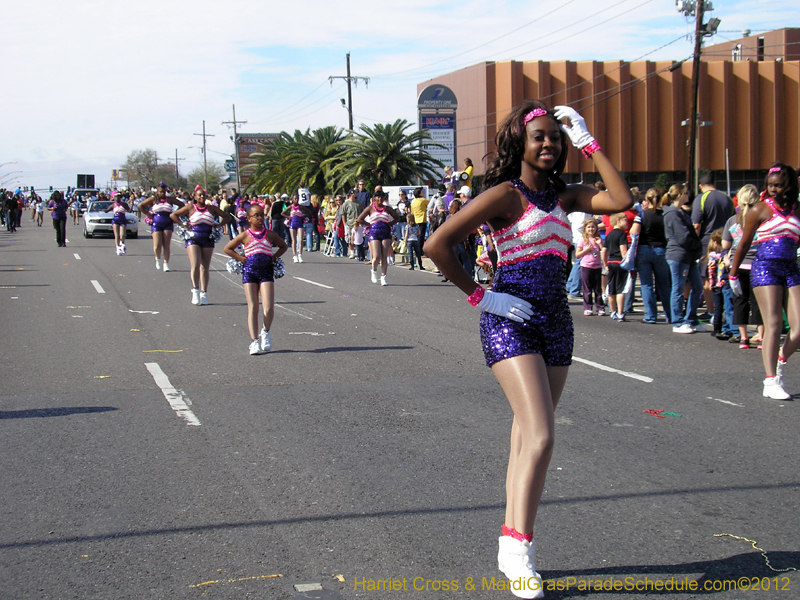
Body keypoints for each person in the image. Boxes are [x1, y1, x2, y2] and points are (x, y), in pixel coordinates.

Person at [425, 101, 632, 599]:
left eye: (555, 138)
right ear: (520, 142)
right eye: (539, 136)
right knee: (540, 436)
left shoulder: (567, 195)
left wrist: (588, 141)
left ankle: (510, 541)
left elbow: (622, 199)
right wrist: (482, 296)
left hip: (556, 323)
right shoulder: (504, 194)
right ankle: (520, 549)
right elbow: (437, 245)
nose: (549, 144)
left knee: (526, 437)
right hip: (509, 320)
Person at [730, 163, 800, 400]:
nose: (773, 190)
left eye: (778, 186)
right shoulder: (759, 209)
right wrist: (733, 274)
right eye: (770, 185)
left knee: (798, 327)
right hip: (765, 269)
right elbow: (744, 244)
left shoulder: (798, 210)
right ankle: (770, 380)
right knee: (773, 324)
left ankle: (780, 359)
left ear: (789, 185)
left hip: (791, 269)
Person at [224, 204, 288, 355]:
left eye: (262, 215)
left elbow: (283, 246)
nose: (260, 218)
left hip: (266, 272)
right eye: (256, 215)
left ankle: (265, 331)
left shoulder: (269, 234)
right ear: (248, 218)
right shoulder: (244, 235)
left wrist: (273, 257)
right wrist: (242, 259)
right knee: (253, 307)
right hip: (250, 273)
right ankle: (254, 341)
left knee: (268, 307)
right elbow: (228, 249)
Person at [170, 186, 232, 305]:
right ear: (195, 196)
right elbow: (173, 215)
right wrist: (183, 225)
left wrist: (218, 225)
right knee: (195, 264)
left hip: (208, 238)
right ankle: (195, 290)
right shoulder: (190, 207)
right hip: (193, 238)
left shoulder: (211, 208)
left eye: (203, 195)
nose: (202, 197)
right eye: (199, 195)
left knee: (205, 267)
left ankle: (204, 293)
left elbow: (227, 217)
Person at [722, 184, 763, 347]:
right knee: (758, 302)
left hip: (737, 266)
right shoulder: (761, 220)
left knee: (740, 301)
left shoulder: (732, 221)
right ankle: (761, 337)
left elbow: (725, 244)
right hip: (758, 265)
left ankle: (744, 338)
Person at [693, 172, 734, 320]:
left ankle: (711, 311)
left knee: (707, 278)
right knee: (725, 277)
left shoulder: (701, 198)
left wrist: (694, 243)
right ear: (715, 184)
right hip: (725, 241)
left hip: (707, 242)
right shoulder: (727, 198)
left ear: (700, 186)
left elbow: (696, 225)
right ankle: (727, 312)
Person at [664, 189, 704, 333]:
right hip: (679, 255)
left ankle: (691, 319)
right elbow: (683, 237)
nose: (688, 195)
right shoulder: (673, 213)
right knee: (678, 288)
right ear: (680, 195)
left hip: (688, 255)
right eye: (686, 192)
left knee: (698, 287)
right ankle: (678, 322)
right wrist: (697, 245)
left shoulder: (681, 212)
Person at [628, 188, 671, 324]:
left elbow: (633, 231)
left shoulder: (642, 214)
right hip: (661, 249)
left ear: (647, 200)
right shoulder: (665, 215)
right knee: (664, 284)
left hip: (644, 249)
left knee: (646, 284)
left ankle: (651, 316)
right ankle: (670, 315)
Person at [356, 190, 399, 285]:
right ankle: (374, 270)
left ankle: (383, 277)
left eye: (382, 197)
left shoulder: (387, 209)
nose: (380, 199)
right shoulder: (370, 208)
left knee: (384, 256)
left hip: (385, 233)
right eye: (378, 197)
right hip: (374, 233)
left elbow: (397, 218)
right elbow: (359, 219)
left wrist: (390, 223)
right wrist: (369, 224)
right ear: (375, 198)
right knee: (376, 256)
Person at [138, 183, 184, 272]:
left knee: (166, 244)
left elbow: (182, 205)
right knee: (157, 245)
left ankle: (166, 263)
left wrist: (175, 213)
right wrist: (148, 214)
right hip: (156, 223)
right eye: (160, 192)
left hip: (168, 222)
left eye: (164, 192)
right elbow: (140, 206)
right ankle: (157, 258)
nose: (162, 193)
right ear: (157, 192)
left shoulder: (170, 199)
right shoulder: (153, 199)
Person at [601, 213, 629, 321]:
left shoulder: (609, 235)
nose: (627, 223)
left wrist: (605, 264)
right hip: (619, 262)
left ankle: (613, 312)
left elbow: (604, 251)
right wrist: (627, 261)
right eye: (625, 220)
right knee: (620, 288)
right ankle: (620, 313)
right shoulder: (622, 234)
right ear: (618, 220)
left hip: (611, 262)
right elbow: (623, 251)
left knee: (611, 288)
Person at [575, 219, 604, 316]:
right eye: (589, 227)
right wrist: (586, 250)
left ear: (596, 228)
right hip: (586, 266)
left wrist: (600, 244)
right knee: (587, 289)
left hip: (597, 266)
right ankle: (588, 307)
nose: (591, 229)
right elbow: (577, 255)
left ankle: (600, 307)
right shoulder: (582, 240)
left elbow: (604, 252)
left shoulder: (599, 239)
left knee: (598, 289)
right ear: (585, 229)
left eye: (593, 227)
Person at [282, 195, 307, 263]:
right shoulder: (290, 207)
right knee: (294, 240)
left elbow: (309, 212)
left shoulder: (300, 207)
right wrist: (288, 217)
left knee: (301, 240)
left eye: (297, 198)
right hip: (292, 224)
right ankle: (295, 255)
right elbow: (282, 213)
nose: (296, 200)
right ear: (292, 199)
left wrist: (303, 217)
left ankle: (300, 255)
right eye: (295, 198)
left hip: (300, 224)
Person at [341, 190, 363, 259]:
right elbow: (343, 214)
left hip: (357, 224)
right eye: (354, 193)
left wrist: (361, 223)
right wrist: (344, 223)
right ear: (350, 194)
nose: (356, 194)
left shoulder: (359, 203)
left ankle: (359, 253)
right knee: (349, 238)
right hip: (349, 223)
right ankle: (352, 252)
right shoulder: (346, 203)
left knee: (358, 238)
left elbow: (362, 213)